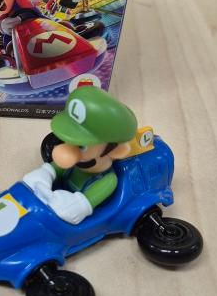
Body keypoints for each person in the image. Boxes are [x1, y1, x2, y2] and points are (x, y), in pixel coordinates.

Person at [23, 86, 138, 224]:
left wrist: (68, 205)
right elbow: (52, 169)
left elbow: (80, 206)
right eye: (67, 140)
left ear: (115, 150)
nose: (63, 150)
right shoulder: (71, 164)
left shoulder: (107, 181)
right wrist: (44, 174)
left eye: (81, 146)